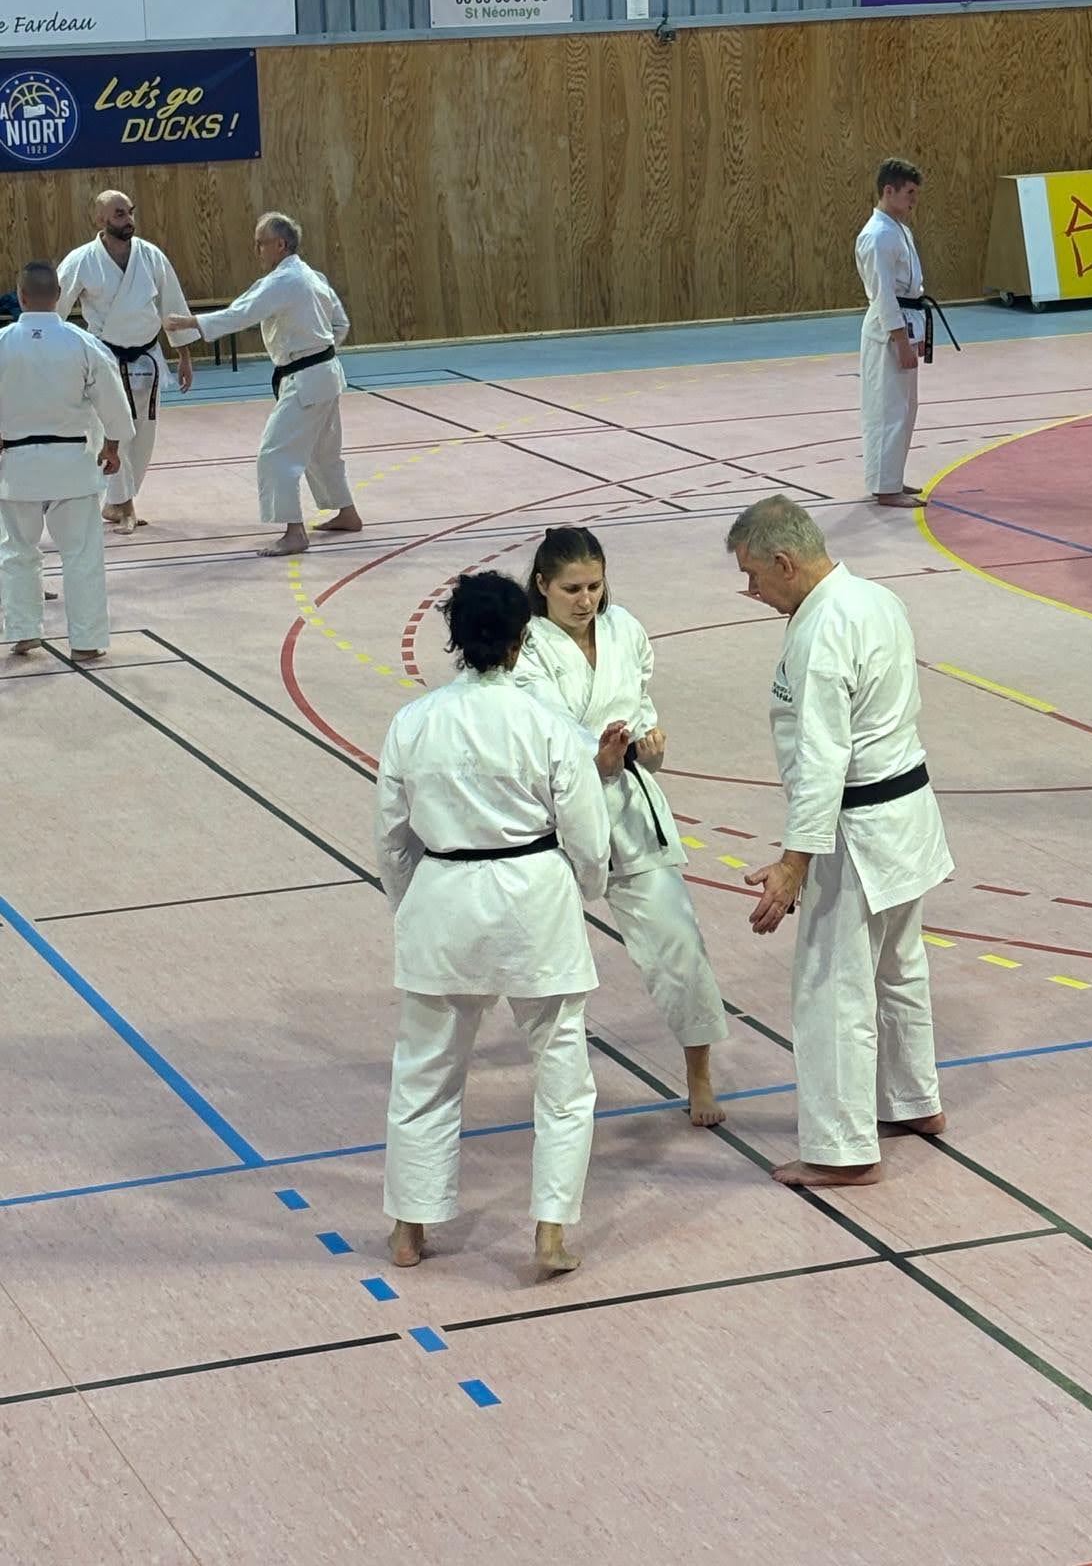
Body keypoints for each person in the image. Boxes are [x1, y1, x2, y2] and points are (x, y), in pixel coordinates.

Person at [374, 571, 610, 1279]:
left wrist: (414, 905)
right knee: (562, 1075)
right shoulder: (548, 725)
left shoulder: (413, 722)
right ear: (520, 640)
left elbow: (392, 840)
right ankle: (550, 1232)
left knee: (425, 1071)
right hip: (535, 896)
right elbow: (588, 837)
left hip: (443, 893)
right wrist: (583, 891)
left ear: (455, 639)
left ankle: (409, 1229)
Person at [725, 495, 953, 1188]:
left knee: (832, 989)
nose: (751, 590)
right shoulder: (875, 598)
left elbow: (823, 758)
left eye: (753, 574)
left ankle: (842, 1151)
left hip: (857, 830)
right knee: (899, 968)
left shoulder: (822, 631)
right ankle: (913, 1101)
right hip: (906, 813)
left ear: (784, 562)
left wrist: (794, 863)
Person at [514, 527, 731, 1127]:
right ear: (542, 585)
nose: (586, 600)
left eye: (594, 586)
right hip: (553, 817)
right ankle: (550, 1081)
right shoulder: (525, 645)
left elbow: (642, 716)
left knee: (679, 943)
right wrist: (595, 760)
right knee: (540, 958)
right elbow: (541, 731)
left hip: (628, 808)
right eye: (571, 589)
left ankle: (700, 1076)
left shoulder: (625, 630)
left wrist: (647, 750)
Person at [164, 213, 362, 557]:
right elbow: (339, 323)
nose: (257, 249)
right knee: (322, 452)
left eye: (261, 243)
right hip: (325, 375)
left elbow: (241, 314)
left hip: (306, 378)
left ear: (280, 244)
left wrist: (190, 322)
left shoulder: (285, 281)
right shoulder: (311, 276)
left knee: (275, 453)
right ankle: (347, 513)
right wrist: (321, 352)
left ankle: (294, 532)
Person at [0, 262, 135, 661]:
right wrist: (112, 446)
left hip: (17, 466)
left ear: (21, 297)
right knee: (81, 555)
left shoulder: (3, 342)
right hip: (72, 463)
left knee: (17, 550)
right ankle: (87, 641)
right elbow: (113, 400)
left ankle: (24, 631)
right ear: (59, 296)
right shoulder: (82, 343)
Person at [56, 189, 198, 534]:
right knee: (113, 432)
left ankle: (117, 502)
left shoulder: (151, 256)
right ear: (100, 219)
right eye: (120, 214)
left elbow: (173, 306)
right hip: (104, 359)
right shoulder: (82, 260)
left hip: (147, 357)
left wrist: (184, 356)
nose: (129, 219)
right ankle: (125, 506)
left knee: (144, 435)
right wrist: (53, 354)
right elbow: (54, 309)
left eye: (130, 212)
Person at [855, 158, 929, 509]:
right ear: (889, 190)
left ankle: (892, 479)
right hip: (887, 332)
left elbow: (909, 289)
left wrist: (916, 336)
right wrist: (901, 342)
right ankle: (886, 489)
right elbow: (884, 296)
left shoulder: (898, 229)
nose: (914, 200)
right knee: (888, 410)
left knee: (905, 408)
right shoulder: (877, 235)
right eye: (909, 192)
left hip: (905, 322)